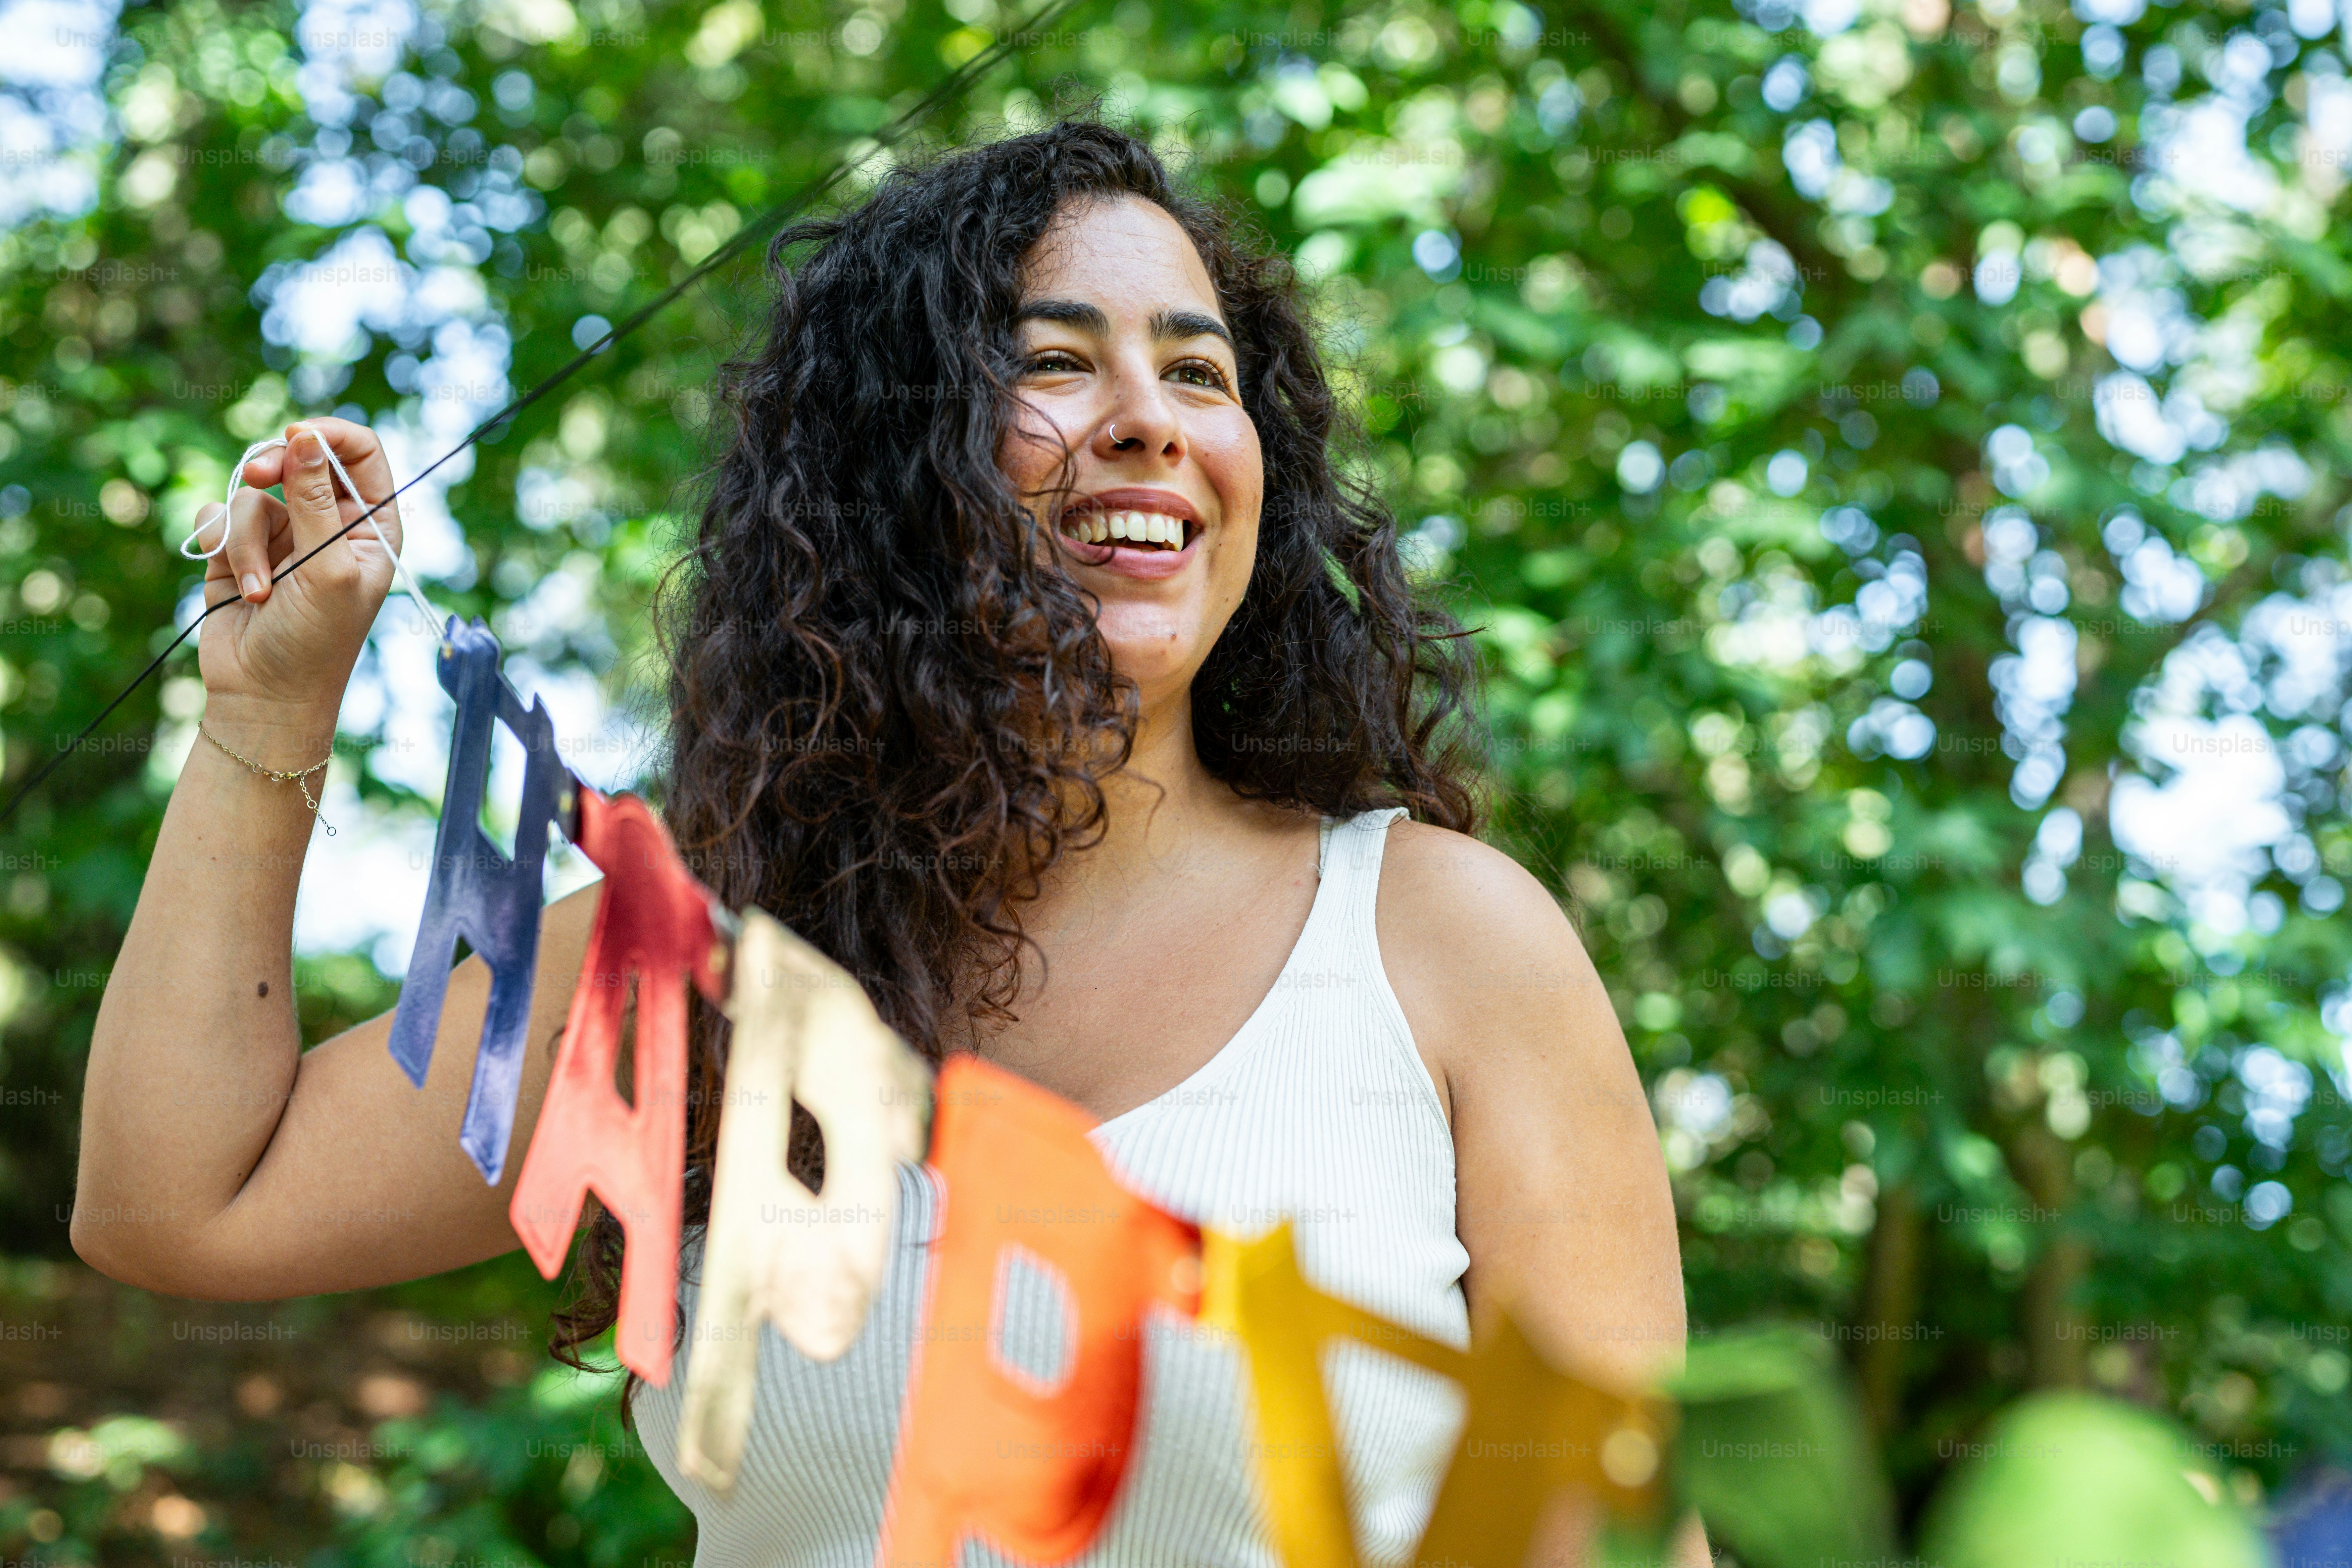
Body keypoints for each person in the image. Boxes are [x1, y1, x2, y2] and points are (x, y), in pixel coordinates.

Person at [75, 119, 1694, 1566]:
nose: (1151, 419)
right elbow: (182, 1199)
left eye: (1200, 374)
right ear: (894, 467)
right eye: (1055, 360)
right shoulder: (690, 959)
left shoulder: (1441, 945)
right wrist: (269, 705)